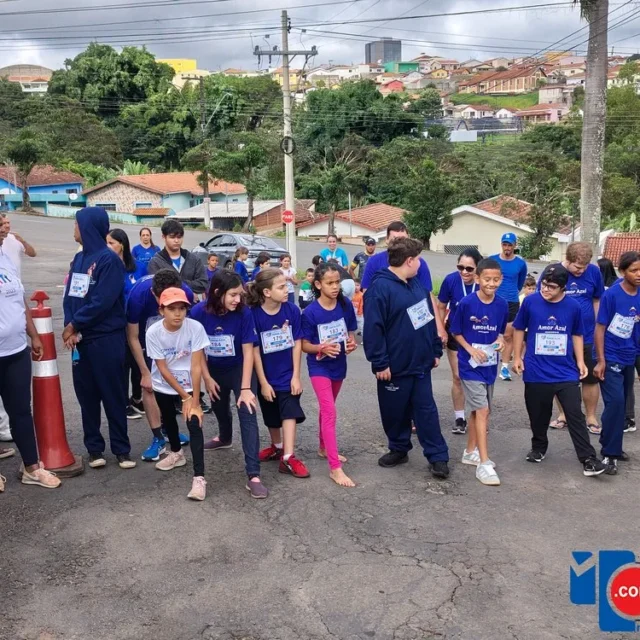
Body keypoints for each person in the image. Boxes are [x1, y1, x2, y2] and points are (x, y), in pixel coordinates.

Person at [364, 237, 450, 479]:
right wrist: (380, 362)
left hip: (420, 364)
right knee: (395, 412)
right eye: (419, 259)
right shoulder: (380, 288)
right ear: (409, 261)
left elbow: (427, 318)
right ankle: (399, 448)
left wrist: (434, 350)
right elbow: (373, 329)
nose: (421, 263)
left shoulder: (417, 285)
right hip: (393, 367)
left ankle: (438, 456)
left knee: (427, 411)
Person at [512, 264, 606, 477]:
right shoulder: (530, 302)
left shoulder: (573, 306)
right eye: (544, 284)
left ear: (563, 287)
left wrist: (580, 361)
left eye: (551, 287)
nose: (545, 289)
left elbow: (577, 334)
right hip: (536, 370)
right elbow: (518, 329)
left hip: (565, 371)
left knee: (574, 414)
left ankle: (588, 458)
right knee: (538, 414)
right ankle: (538, 448)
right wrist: (517, 357)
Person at [62, 207, 136, 470]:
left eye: (77, 224)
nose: (74, 229)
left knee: (113, 394)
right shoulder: (79, 259)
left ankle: (122, 450)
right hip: (81, 341)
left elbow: (102, 301)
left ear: (89, 227)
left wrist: (74, 324)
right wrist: (70, 326)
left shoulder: (109, 261)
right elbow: (70, 297)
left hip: (105, 339)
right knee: (87, 396)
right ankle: (94, 449)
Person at [190, 271, 268, 499]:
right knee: (218, 404)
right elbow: (197, 351)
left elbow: (248, 351)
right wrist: (207, 378)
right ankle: (225, 437)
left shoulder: (244, 313)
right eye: (233, 295)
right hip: (213, 368)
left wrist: (245, 389)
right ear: (218, 292)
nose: (238, 299)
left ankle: (253, 475)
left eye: (240, 294)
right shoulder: (198, 312)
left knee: (247, 410)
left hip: (239, 368)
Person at [0, 222, 60, 491]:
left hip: (15, 351)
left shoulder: (5, 259)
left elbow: (20, 300)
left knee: (21, 411)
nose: (4, 229)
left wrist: (33, 335)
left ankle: (32, 468)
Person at [145, 288, 209, 500]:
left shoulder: (195, 328)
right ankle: (176, 452)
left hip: (189, 381)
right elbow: (162, 367)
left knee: (194, 423)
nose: (178, 313)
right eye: (171, 308)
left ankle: (199, 477)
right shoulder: (153, 332)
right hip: (163, 382)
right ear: (161, 310)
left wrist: (194, 400)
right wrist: (185, 397)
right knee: (168, 419)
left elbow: (197, 365)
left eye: (182, 308)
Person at [450, 258, 507, 486]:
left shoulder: (502, 305)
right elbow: (456, 331)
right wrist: (470, 349)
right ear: (477, 279)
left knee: (481, 411)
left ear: (501, 280)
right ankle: (484, 463)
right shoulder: (466, 303)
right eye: (487, 279)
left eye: (496, 279)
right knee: (482, 410)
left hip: (489, 366)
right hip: (469, 366)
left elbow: (500, 332)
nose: (491, 283)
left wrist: (501, 341)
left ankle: (470, 452)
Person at [126, 269, 193, 461]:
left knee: (171, 386)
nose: (166, 304)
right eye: (162, 300)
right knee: (149, 387)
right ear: (153, 293)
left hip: (172, 343)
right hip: (145, 341)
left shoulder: (186, 293)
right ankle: (158, 438)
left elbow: (189, 328)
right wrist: (145, 372)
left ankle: (169, 430)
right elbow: (132, 337)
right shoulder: (137, 296)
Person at [248, 269, 309, 478]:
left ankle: (288, 457)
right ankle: (277, 447)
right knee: (271, 414)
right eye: (281, 287)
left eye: (286, 285)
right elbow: (254, 350)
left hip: (287, 375)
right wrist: (263, 382)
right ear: (266, 292)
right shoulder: (253, 314)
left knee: (289, 411)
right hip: (265, 375)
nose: (286, 290)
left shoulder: (292, 310)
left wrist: (296, 376)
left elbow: (297, 343)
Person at [302, 262, 358, 487]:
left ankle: (323, 447)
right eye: (330, 283)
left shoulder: (345, 305)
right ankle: (335, 468)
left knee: (328, 408)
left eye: (337, 282)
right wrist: (320, 348)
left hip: (339, 365)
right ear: (318, 285)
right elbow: (304, 345)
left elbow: (350, 334)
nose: (335, 287)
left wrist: (351, 344)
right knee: (329, 411)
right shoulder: (310, 312)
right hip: (319, 367)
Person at [542, 242, 605, 434]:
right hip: (560, 336)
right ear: (567, 260)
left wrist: (599, 327)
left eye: (584, 267)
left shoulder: (594, 272)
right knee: (561, 377)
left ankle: (591, 417)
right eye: (577, 267)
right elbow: (543, 298)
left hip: (587, 335)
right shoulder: (553, 272)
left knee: (591, 378)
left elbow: (597, 299)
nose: (581, 271)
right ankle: (564, 415)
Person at [594, 251, 640, 475]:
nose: (638, 274)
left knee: (622, 406)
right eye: (634, 270)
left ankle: (614, 446)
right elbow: (600, 328)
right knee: (615, 402)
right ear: (622, 272)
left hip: (630, 355)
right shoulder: (611, 295)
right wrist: (600, 360)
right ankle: (609, 454)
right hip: (611, 355)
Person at [361, 221, 446, 342]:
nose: (400, 243)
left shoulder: (419, 263)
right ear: (387, 240)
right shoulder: (374, 262)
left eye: (403, 239)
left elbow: (428, 296)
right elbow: (367, 295)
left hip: (415, 326)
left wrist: (439, 328)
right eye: (395, 239)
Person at [436, 247, 483, 436]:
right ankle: (459, 418)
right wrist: (440, 330)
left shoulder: (483, 282)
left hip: (479, 335)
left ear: (478, 268)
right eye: (460, 267)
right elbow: (441, 306)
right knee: (458, 376)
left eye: (469, 268)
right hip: (455, 333)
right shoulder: (451, 280)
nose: (464, 272)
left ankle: (480, 416)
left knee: (478, 378)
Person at [107, 228, 147, 420]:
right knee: (122, 365)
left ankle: (137, 398)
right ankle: (122, 403)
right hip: (117, 324)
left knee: (139, 363)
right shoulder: (107, 267)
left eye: (111, 243)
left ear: (121, 244)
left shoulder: (139, 267)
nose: (108, 247)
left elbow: (147, 289)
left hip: (138, 323)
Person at [490, 233, 528, 382]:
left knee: (507, 335)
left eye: (509, 245)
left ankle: (504, 368)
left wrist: (512, 292)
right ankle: (488, 363)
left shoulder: (520, 263)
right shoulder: (493, 260)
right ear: (501, 244)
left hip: (512, 302)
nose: (507, 247)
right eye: (504, 244)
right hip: (494, 300)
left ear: (514, 245)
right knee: (489, 332)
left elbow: (520, 282)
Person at [147, 219, 208, 296]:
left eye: (179, 237)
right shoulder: (156, 262)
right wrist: (187, 288)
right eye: (172, 237)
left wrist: (175, 284)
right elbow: (157, 288)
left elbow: (203, 284)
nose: (176, 241)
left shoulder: (194, 259)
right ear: (164, 237)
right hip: (167, 303)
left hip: (191, 303)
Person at [0, 212, 36, 278]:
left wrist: (23, 241)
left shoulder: (15, 238)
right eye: (4, 223)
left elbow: (32, 254)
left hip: (15, 280)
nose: (7, 226)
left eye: (8, 223)